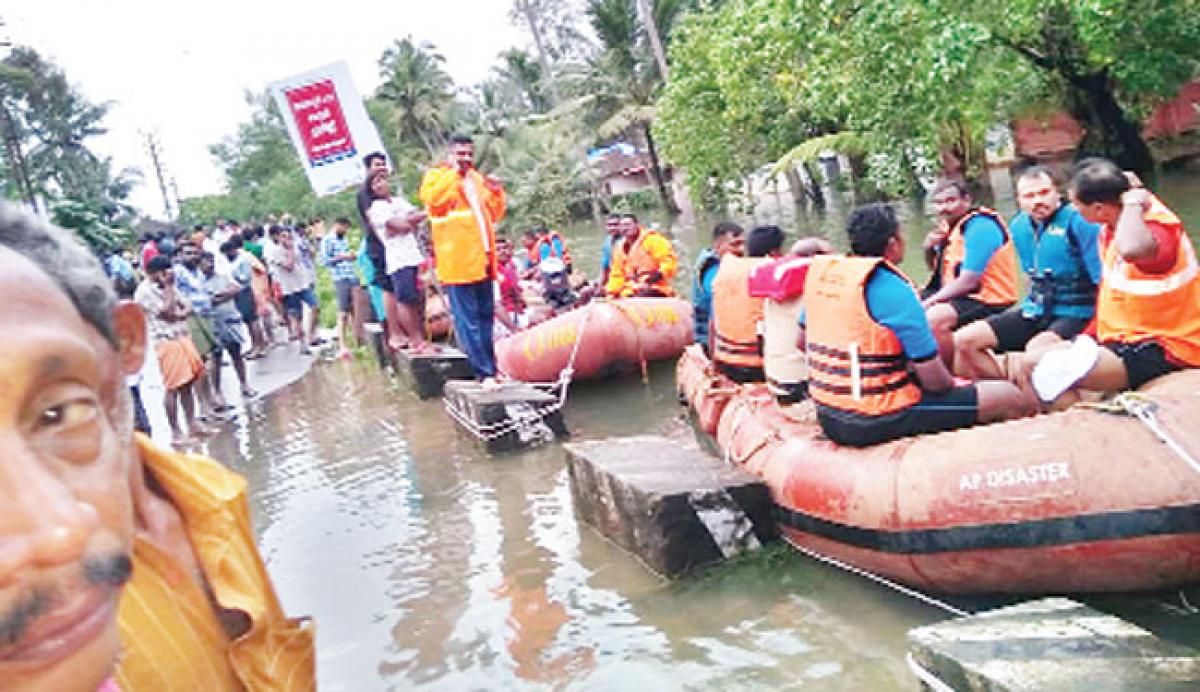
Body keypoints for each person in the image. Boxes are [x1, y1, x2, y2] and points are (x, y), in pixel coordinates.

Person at [0, 204, 315, 691]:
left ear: (125, 340)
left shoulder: (208, 491)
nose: (57, 534)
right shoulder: (51, 627)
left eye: (57, 412)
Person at [800, 203, 1031, 447]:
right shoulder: (894, 289)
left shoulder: (827, 278)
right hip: (873, 418)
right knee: (1008, 396)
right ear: (893, 243)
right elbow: (936, 383)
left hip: (827, 413)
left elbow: (800, 341)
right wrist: (954, 385)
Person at [1025, 158, 1200, 407]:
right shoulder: (1112, 225)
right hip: (1125, 336)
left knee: (1040, 370)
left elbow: (1133, 249)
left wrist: (1134, 200)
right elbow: (1116, 297)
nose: (1072, 209)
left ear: (1098, 209)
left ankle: (1088, 429)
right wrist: (1082, 337)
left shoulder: (1154, 230)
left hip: (1167, 345)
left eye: (1076, 203)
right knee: (1036, 354)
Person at [954, 164, 1102, 380]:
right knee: (963, 341)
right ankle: (1007, 392)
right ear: (1019, 200)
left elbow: (1103, 279)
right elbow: (1028, 275)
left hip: (1076, 312)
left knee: (1035, 349)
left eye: (1043, 193)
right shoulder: (1019, 226)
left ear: (1057, 192)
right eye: (1029, 196)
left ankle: (1031, 396)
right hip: (1036, 309)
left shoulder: (1080, 222)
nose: (1037, 201)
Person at [419, 133, 507, 385]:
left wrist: (495, 190)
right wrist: (455, 173)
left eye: (469, 153)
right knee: (468, 321)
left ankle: (491, 369)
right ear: (450, 154)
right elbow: (435, 200)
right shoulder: (436, 177)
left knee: (485, 317)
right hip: (457, 262)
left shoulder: (476, 179)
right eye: (461, 154)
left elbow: (495, 213)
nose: (466, 159)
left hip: (483, 259)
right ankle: (484, 373)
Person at [921, 179, 1020, 365]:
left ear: (966, 200)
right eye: (939, 203)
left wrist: (929, 303)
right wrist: (928, 248)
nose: (944, 208)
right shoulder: (948, 228)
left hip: (987, 299)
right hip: (960, 296)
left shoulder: (980, 226)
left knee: (934, 318)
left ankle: (948, 373)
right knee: (905, 303)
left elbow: (969, 281)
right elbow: (938, 272)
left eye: (950, 201)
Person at [135, 256, 209, 444]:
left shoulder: (169, 286)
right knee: (173, 387)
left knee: (190, 381)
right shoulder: (144, 292)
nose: (167, 276)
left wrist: (179, 313)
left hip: (181, 335)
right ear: (153, 273)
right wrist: (169, 290)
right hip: (164, 341)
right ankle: (176, 432)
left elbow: (188, 306)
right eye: (164, 273)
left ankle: (192, 424)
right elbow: (166, 312)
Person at [753, 237, 835, 405]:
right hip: (800, 387)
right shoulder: (816, 289)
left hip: (776, 380)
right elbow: (802, 343)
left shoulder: (774, 291)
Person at [710, 225, 784, 382]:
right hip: (759, 366)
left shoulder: (726, 267)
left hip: (726, 362)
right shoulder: (772, 271)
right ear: (774, 252)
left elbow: (712, 323)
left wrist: (713, 363)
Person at [369, 172, 430, 353]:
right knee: (405, 300)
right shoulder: (377, 208)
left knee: (418, 299)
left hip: (414, 255)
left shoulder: (398, 202)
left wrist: (409, 222)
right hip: (398, 259)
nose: (381, 184)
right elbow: (400, 225)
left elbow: (413, 220)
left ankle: (421, 338)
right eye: (375, 182)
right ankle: (415, 340)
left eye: (383, 179)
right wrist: (409, 222)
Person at [173, 240, 227, 417]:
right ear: (181, 255)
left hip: (206, 315)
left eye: (194, 253)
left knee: (209, 358)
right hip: (191, 318)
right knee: (199, 362)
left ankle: (211, 399)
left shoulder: (198, 272)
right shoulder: (177, 273)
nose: (192, 256)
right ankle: (204, 406)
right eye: (188, 253)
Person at [200, 250, 256, 399]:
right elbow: (205, 301)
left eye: (211, 261)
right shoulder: (199, 282)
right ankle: (217, 392)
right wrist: (223, 295)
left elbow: (236, 289)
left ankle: (244, 384)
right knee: (216, 358)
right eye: (206, 262)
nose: (210, 265)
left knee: (236, 354)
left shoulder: (223, 276)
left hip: (230, 320)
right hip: (213, 323)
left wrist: (219, 296)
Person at [692, 221, 745, 349]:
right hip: (711, 341)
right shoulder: (712, 269)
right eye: (735, 244)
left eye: (743, 244)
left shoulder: (728, 265)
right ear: (718, 246)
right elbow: (720, 300)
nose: (741, 249)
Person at [267, 225, 316, 354]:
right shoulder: (275, 253)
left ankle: (311, 335)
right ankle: (303, 344)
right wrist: (290, 251)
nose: (287, 239)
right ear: (278, 237)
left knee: (315, 307)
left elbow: (308, 258)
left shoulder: (296, 248)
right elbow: (289, 266)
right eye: (283, 236)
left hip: (302, 284)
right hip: (289, 288)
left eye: (289, 236)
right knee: (297, 317)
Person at [604, 214, 678, 298]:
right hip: (631, 289)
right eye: (622, 226)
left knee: (640, 297)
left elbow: (669, 264)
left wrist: (649, 281)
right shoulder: (619, 249)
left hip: (655, 287)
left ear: (637, 225)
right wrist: (611, 293)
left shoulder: (653, 240)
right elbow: (617, 275)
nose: (625, 228)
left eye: (628, 225)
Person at [321, 216, 361, 358]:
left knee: (355, 310)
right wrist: (342, 257)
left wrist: (350, 257)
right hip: (340, 278)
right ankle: (343, 345)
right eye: (344, 227)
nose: (346, 230)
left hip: (351, 275)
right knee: (343, 312)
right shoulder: (328, 240)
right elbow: (325, 260)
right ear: (337, 225)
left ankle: (358, 341)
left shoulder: (343, 239)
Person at [599, 213, 622, 287]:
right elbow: (604, 267)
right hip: (613, 278)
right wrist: (600, 285)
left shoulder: (628, 240)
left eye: (616, 225)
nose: (612, 228)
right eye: (609, 225)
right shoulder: (607, 241)